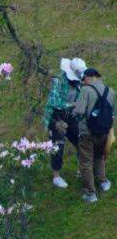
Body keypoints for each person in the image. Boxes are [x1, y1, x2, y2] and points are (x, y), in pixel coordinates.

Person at [69, 67, 113, 203]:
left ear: (90, 77)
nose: (83, 81)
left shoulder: (85, 90)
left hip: (87, 132)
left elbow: (80, 111)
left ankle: (90, 193)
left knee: (86, 162)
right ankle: (103, 182)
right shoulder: (110, 91)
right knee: (100, 157)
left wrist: (73, 108)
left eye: (84, 78)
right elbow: (113, 113)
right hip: (105, 131)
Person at [44, 57, 85, 189]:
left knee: (81, 140)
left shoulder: (79, 82)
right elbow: (54, 102)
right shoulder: (58, 81)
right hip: (55, 117)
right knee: (58, 145)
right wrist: (72, 104)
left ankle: (81, 169)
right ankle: (56, 177)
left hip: (70, 115)